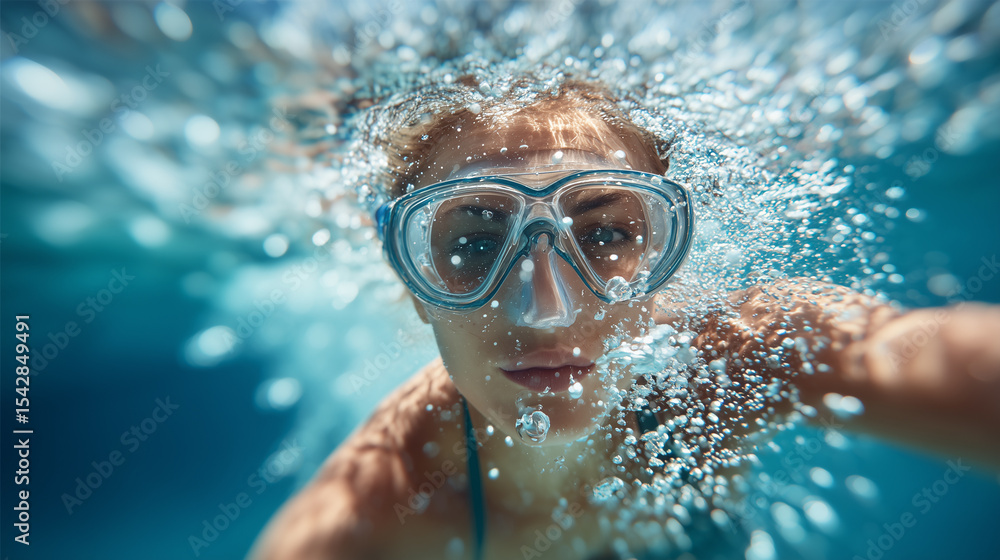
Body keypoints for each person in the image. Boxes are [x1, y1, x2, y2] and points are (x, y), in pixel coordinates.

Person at [249, 77, 1000, 560]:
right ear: (412, 280)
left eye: (605, 234)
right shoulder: (368, 522)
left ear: (665, 246)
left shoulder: (742, 352)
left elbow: (908, 356)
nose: (547, 308)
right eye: (476, 244)